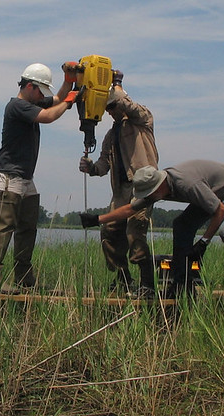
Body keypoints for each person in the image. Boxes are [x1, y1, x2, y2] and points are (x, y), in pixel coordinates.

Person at [81, 161, 224, 302]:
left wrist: (203, 242)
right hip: (211, 193)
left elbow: (221, 211)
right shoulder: (158, 189)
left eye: (151, 194)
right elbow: (131, 209)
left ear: (159, 186)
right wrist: (98, 219)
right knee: (181, 225)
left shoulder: (187, 185)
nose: (150, 198)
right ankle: (181, 285)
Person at [0, 62, 81, 291]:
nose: (42, 96)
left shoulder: (32, 101)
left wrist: (69, 81)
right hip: (9, 174)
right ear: (29, 86)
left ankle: (24, 278)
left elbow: (56, 99)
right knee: (4, 225)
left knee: (28, 226)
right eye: (40, 91)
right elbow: (48, 116)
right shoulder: (17, 106)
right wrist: (71, 100)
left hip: (25, 177)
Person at [78, 70, 159, 298]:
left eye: (111, 107)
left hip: (143, 186)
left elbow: (128, 104)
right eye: (107, 109)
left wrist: (117, 83)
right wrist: (91, 167)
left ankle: (147, 285)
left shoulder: (142, 120)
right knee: (110, 231)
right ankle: (123, 279)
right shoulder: (110, 136)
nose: (109, 112)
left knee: (135, 232)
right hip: (121, 191)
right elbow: (103, 166)